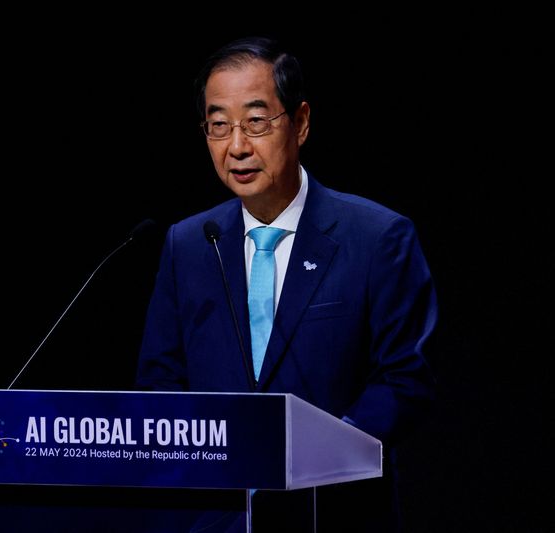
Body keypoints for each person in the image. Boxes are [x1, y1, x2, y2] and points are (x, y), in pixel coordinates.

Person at [136, 36, 437, 532]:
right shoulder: (188, 244)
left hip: (336, 511)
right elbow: (159, 382)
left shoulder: (377, 237)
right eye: (218, 126)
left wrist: (323, 453)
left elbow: (406, 378)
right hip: (215, 519)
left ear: (300, 122)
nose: (237, 146)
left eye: (256, 122)